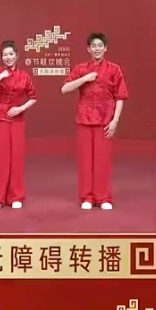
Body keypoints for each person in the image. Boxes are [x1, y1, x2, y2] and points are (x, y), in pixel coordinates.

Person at [61, 33, 128, 211]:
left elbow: (120, 96)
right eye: (93, 46)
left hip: (105, 120)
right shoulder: (81, 68)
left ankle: (103, 197)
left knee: (102, 160)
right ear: (88, 49)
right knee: (85, 161)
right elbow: (64, 88)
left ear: (105, 48)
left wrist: (115, 121)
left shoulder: (114, 69)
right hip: (84, 119)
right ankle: (87, 197)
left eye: (100, 45)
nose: (97, 49)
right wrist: (84, 79)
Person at [0, 40, 36, 210]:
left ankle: (15, 196)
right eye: (5, 55)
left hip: (17, 119)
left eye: (11, 54)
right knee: (1, 158)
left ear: (17, 55)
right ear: (1, 57)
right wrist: (0, 77)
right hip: (0, 118)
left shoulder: (24, 76)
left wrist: (21, 108)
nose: (8, 57)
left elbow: (33, 97)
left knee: (16, 158)